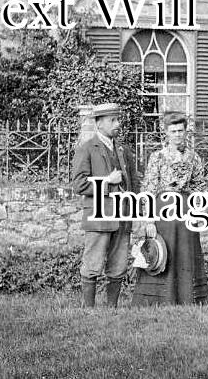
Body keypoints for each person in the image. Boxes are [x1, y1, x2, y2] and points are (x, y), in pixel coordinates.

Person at [130, 112, 208, 306]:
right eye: (173, 131)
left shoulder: (194, 157)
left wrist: (197, 209)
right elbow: (149, 188)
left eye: (180, 131)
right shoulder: (157, 157)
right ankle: (160, 299)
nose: (177, 135)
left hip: (185, 210)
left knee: (186, 251)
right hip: (163, 209)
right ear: (166, 133)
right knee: (163, 250)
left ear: (185, 132)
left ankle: (186, 298)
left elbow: (200, 185)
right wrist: (149, 219)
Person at [69, 102, 139, 308]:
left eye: (118, 120)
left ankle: (112, 309)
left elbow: (134, 184)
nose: (117, 124)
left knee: (118, 265)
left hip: (122, 215)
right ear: (99, 123)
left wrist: (136, 213)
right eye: (112, 120)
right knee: (92, 264)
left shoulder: (124, 150)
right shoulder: (86, 148)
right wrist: (107, 181)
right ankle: (89, 309)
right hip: (98, 217)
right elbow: (79, 184)